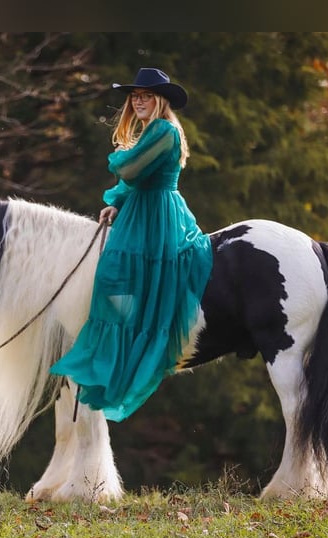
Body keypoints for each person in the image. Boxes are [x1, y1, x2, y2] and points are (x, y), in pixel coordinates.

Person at [50, 68, 213, 422]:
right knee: (112, 273)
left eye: (146, 95)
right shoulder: (151, 131)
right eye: (135, 96)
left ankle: (130, 349)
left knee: (118, 273)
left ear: (160, 100)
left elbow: (132, 171)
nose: (138, 101)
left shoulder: (164, 130)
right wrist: (118, 203)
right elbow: (134, 180)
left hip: (157, 217)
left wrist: (124, 158)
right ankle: (114, 351)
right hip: (141, 211)